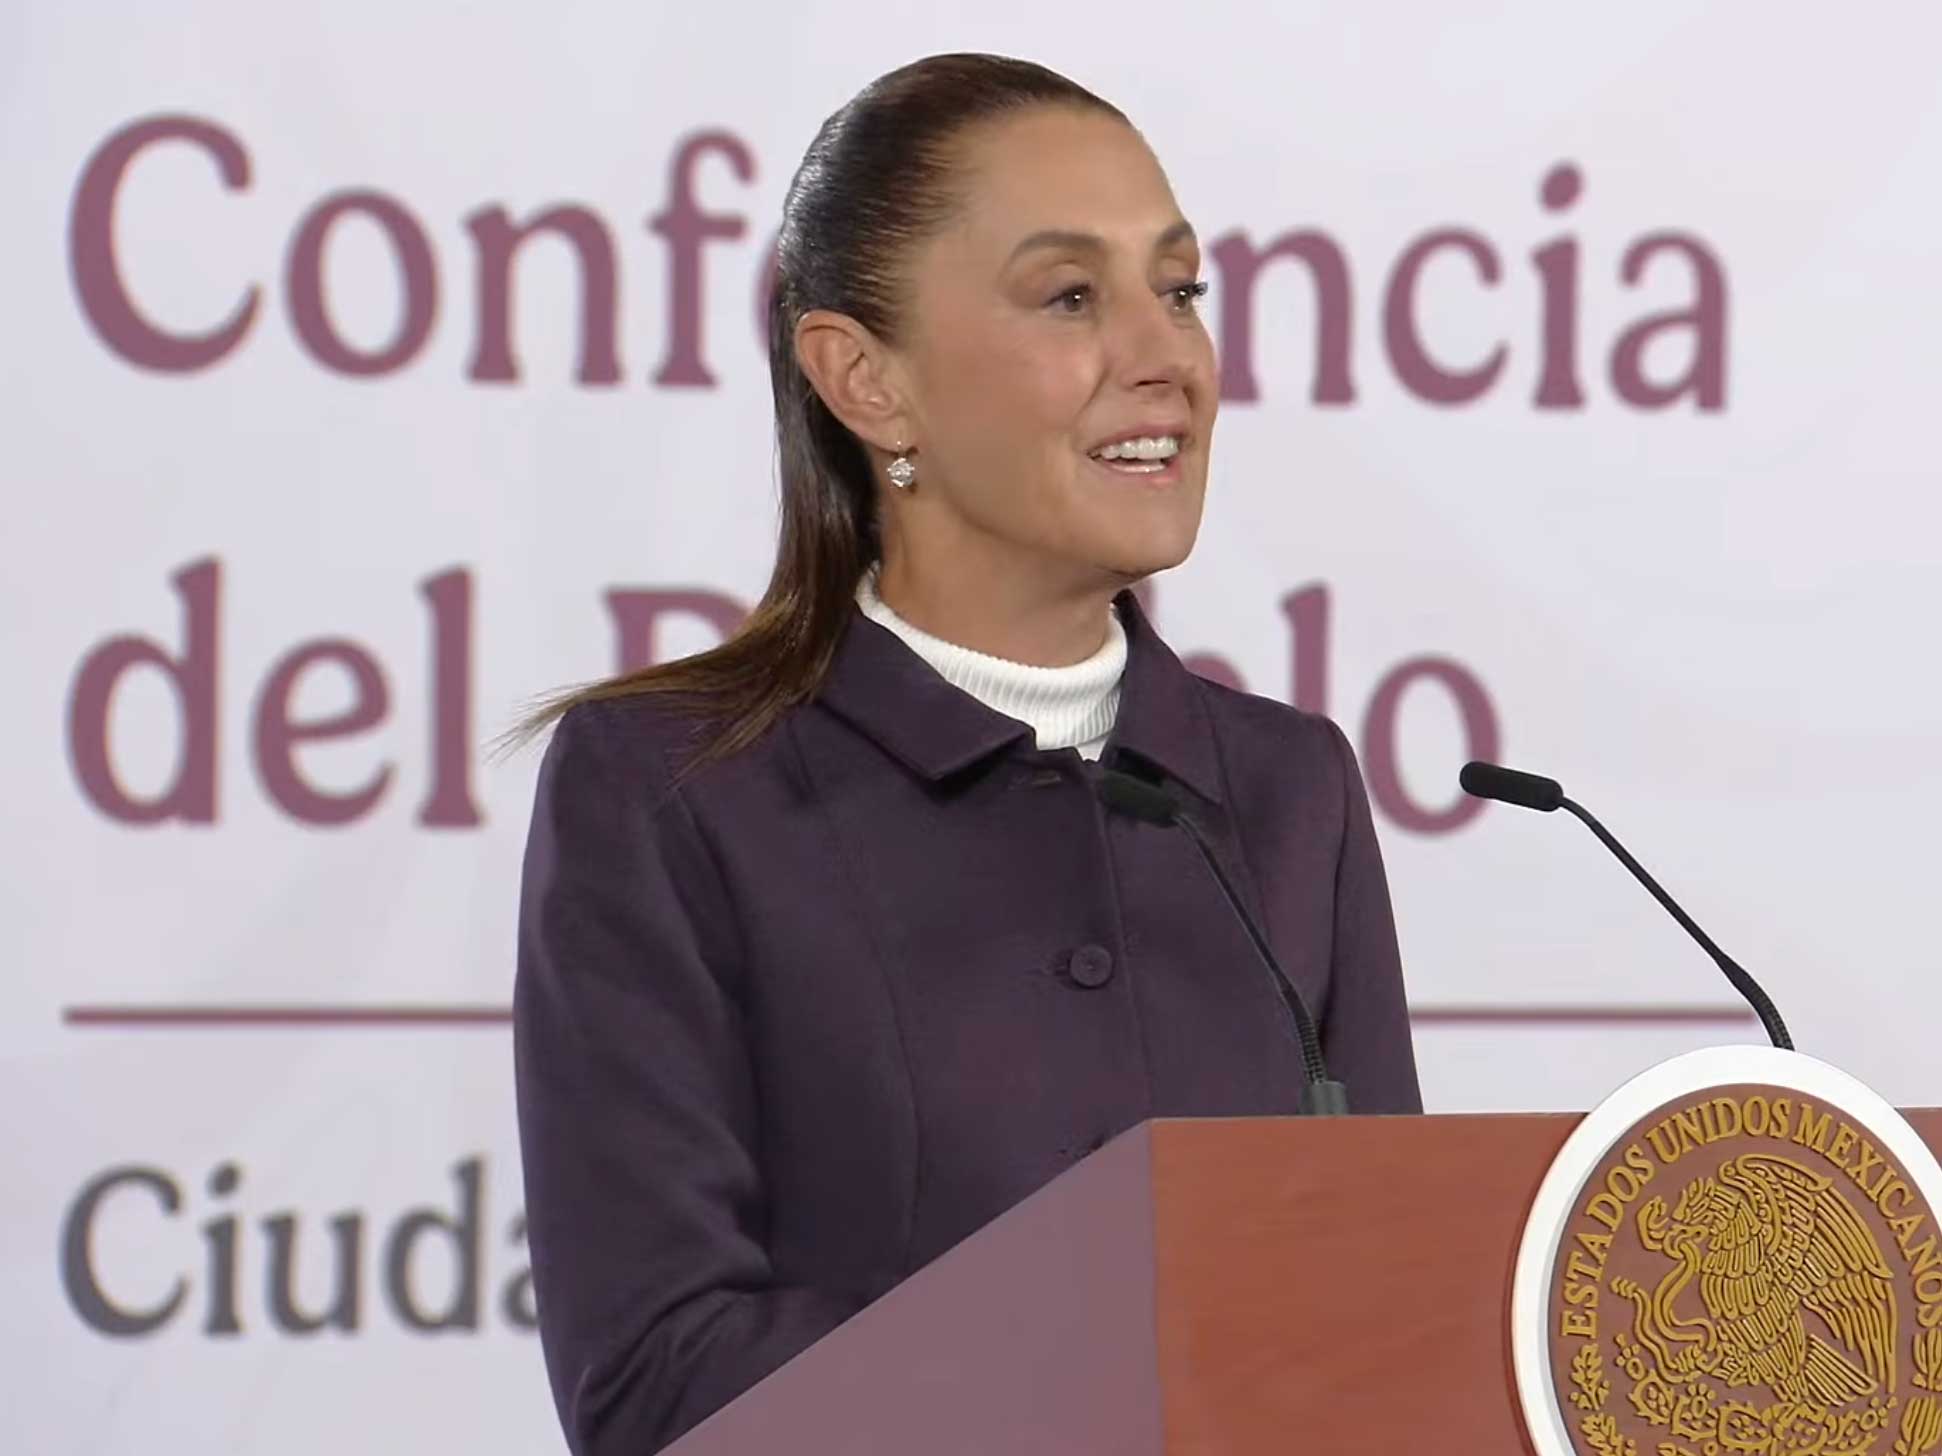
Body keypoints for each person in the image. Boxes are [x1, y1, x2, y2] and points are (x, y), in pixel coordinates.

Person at [512, 52, 1422, 1456]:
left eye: (1179, 291)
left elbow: (1392, 1319)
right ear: (865, 379)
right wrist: (1120, 1365)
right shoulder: (671, 786)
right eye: (1070, 297)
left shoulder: (1290, 790)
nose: (1167, 358)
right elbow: (656, 1380)